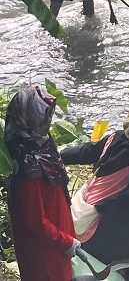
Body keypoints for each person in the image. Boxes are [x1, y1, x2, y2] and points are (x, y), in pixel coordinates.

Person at [62, 99, 129, 265]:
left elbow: (86, 152)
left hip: (74, 219)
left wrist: (58, 156)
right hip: (90, 236)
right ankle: (116, 258)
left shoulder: (114, 137)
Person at [5, 85, 79, 281]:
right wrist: (66, 243)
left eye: (49, 114)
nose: (48, 121)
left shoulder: (41, 144)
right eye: (43, 116)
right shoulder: (28, 169)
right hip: (44, 252)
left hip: (57, 240)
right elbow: (36, 223)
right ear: (27, 120)